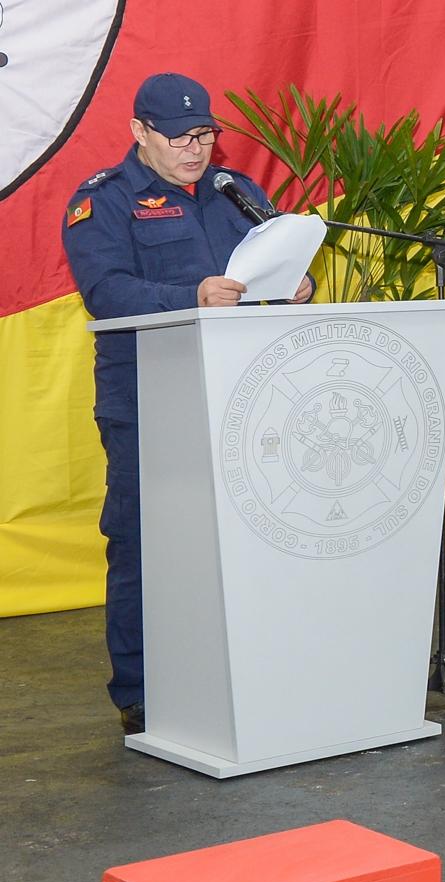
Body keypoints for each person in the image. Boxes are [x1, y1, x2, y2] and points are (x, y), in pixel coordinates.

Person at [61, 73, 313, 734]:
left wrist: (297, 282)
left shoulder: (237, 193)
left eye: (203, 135)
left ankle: (241, 666)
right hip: (148, 395)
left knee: (243, 537)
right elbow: (105, 291)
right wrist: (189, 296)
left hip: (243, 396)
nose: (194, 150)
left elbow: (269, 262)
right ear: (139, 132)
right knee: (144, 543)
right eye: (177, 138)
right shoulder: (104, 202)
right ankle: (140, 687)